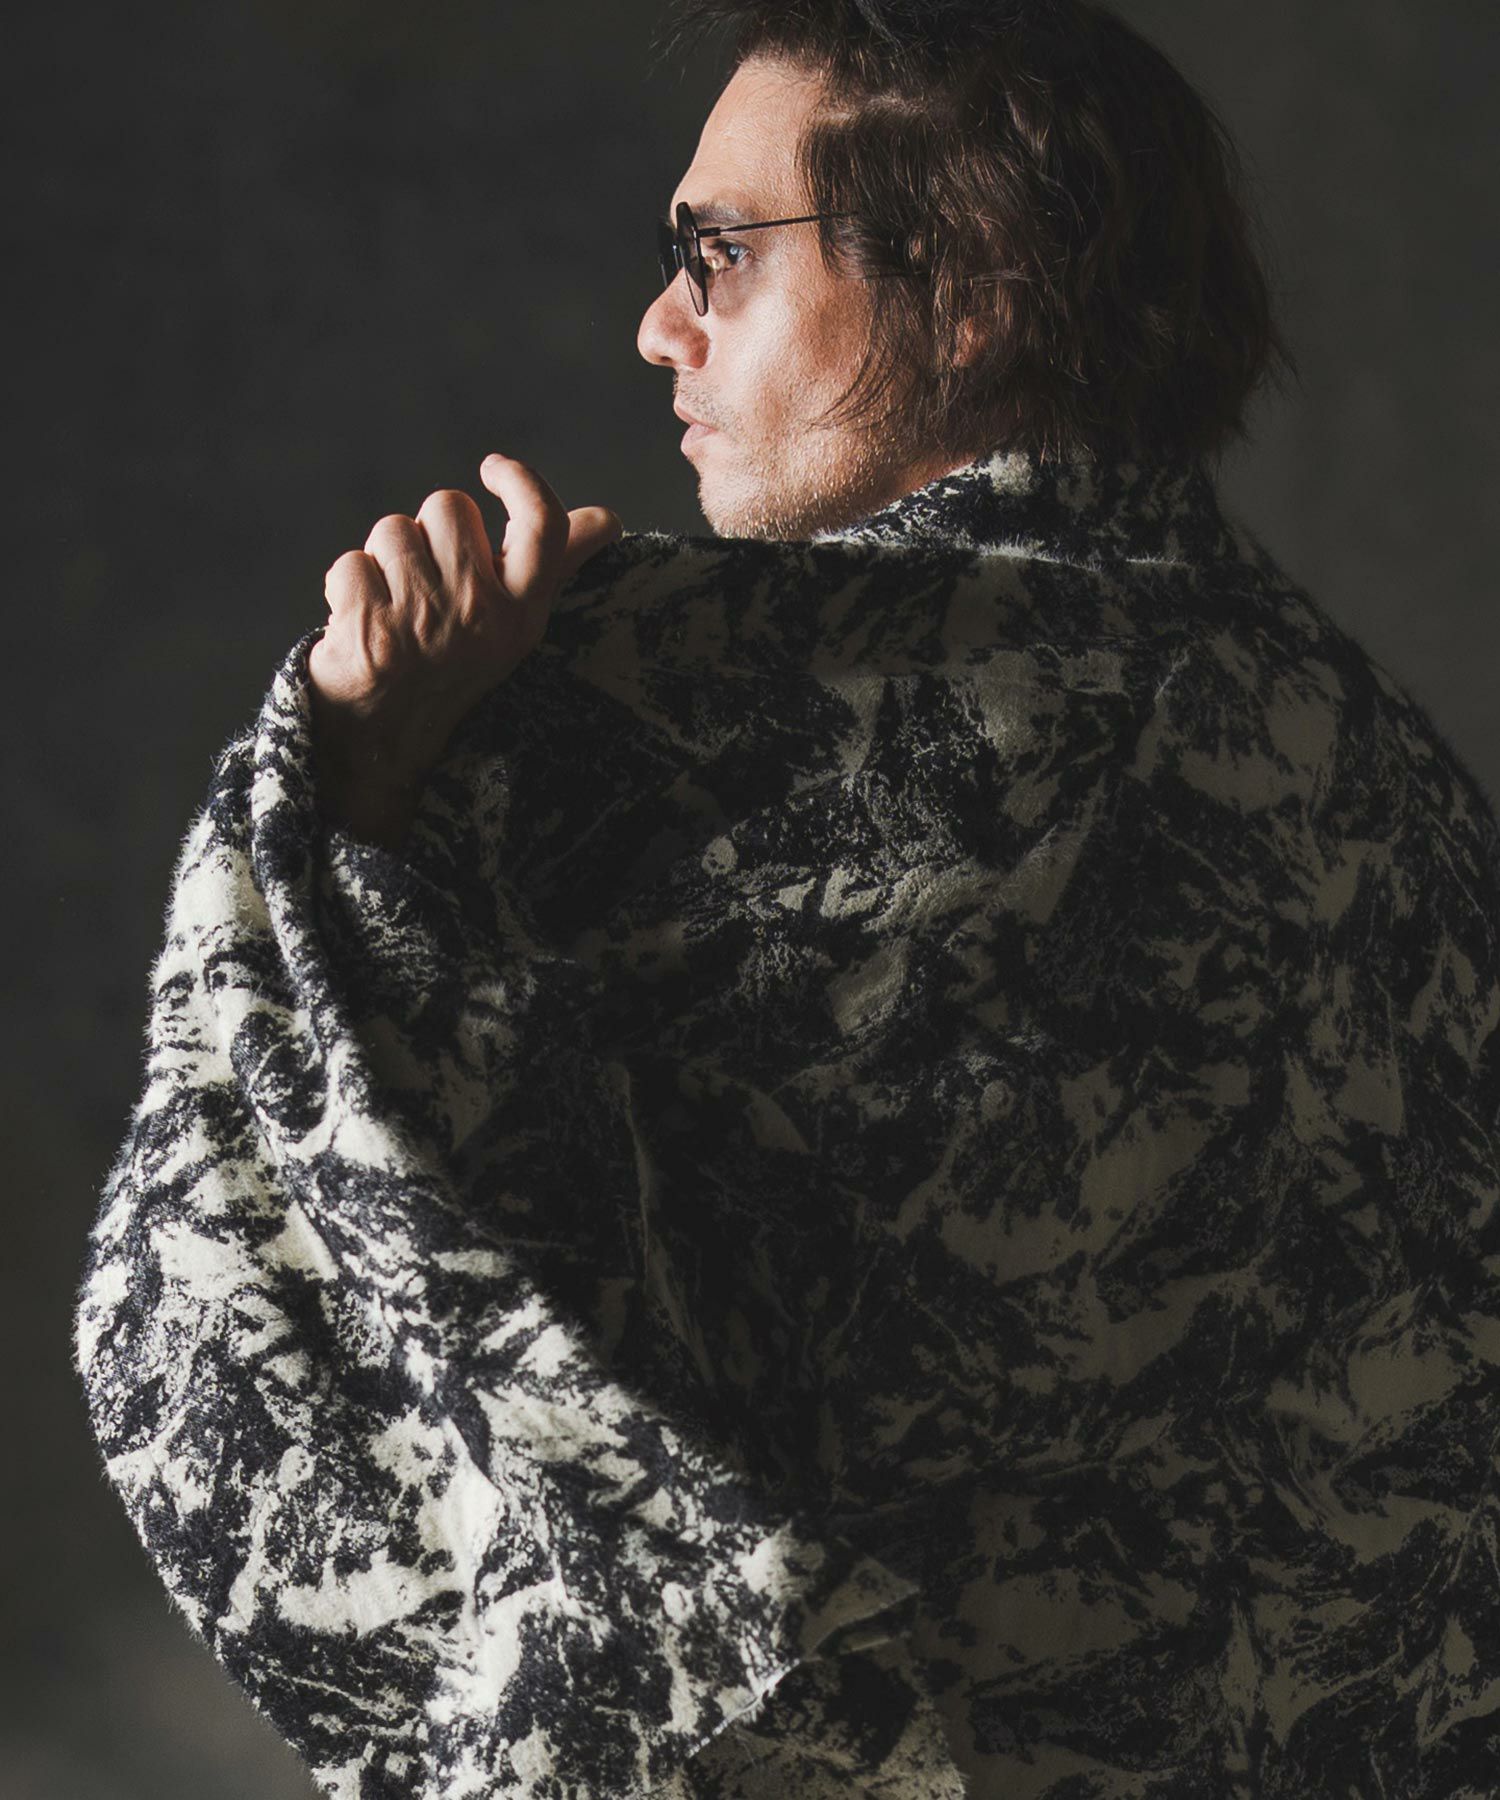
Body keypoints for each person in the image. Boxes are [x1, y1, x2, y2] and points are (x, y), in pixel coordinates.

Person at [74, 2, 1500, 1797]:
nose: (657, 325)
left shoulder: (648, 722)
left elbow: (277, 1342)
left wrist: (355, 787)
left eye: (722, 256)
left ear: (971, 282)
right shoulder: (1378, 777)